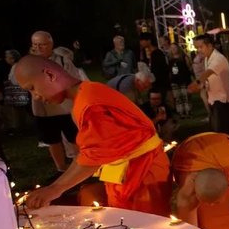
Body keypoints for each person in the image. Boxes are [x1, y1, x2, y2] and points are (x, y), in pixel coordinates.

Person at [15, 55, 171, 215]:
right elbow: (88, 153)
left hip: (142, 175)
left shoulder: (90, 103)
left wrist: (55, 189)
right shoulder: (87, 93)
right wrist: (55, 187)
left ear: (50, 75)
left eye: (32, 88)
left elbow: (94, 156)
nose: (35, 96)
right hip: (128, 171)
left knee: (145, 225)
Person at [29, 31, 81, 174]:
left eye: (42, 45)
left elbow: (74, 79)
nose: (38, 48)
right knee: (52, 140)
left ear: (51, 44)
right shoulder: (29, 62)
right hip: (43, 110)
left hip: (64, 108)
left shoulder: (63, 61)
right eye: (35, 45)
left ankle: (79, 167)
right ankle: (61, 169)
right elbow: (23, 81)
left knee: (74, 138)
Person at [194, 34, 229, 136]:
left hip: (223, 101)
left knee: (224, 132)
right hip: (214, 99)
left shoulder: (218, 59)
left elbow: (208, 72)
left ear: (210, 46)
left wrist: (196, 84)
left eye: (201, 47)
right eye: (197, 48)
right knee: (217, 131)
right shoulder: (207, 58)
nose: (198, 50)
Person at [168, 44, 194, 118]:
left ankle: (188, 111)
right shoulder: (170, 59)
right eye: (171, 48)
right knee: (178, 97)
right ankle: (180, 112)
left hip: (184, 79)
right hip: (174, 80)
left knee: (186, 96)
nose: (173, 49)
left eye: (174, 48)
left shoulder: (183, 57)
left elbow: (189, 67)